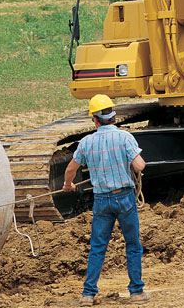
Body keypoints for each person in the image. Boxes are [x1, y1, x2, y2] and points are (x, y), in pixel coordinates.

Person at [63, 94, 149, 306]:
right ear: (113, 116)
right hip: (125, 198)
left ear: (95, 120)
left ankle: (88, 294)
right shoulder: (124, 137)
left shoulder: (86, 142)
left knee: (98, 247)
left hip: (101, 200)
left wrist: (68, 185)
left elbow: (71, 169)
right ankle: (136, 292)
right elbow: (139, 166)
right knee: (133, 245)